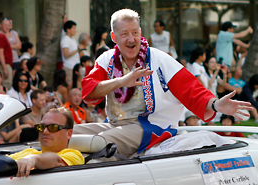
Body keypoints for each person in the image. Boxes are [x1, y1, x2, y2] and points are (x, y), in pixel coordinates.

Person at [74, 9, 252, 158]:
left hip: (150, 127)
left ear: (141, 32)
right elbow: (89, 92)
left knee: (99, 142)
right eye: (125, 34)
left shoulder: (159, 59)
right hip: (114, 124)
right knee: (65, 132)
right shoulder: (106, 60)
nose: (131, 39)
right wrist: (121, 81)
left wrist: (216, 104)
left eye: (135, 32)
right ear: (113, 36)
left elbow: (190, 88)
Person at [9, 107, 84, 178]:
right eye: (41, 127)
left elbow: (57, 161)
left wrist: (32, 160)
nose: (45, 132)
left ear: (69, 134)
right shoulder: (29, 152)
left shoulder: (74, 155)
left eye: (53, 127)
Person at [0, 17, 13, 89]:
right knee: (6, 86)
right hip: (2, 66)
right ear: (0, 25)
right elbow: (0, 53)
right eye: (5, 25)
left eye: (8, 25)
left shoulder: (3, 36)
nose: (7, 27)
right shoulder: (0, 37)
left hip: (5, 65)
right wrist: (5, 68)